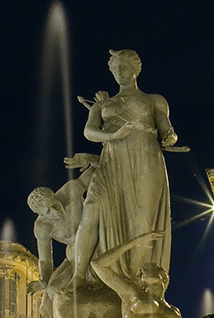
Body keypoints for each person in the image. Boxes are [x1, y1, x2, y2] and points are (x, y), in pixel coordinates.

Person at [71, 49, 177, 286]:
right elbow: (89, 132)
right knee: (92, 208)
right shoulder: (103, 105)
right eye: (115, 68)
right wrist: (113, 134)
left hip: (145, 161)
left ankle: (134, 282)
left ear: (135, 69)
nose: (119, 72)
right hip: (112, 161)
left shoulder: (154, 100)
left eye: (124, 67)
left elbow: (166, 129)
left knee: (142, 221)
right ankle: (78, 276)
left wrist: (170, 137)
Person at [26, 152, 101, 297]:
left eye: (54, 204)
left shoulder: (71, 191)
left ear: (55, 195)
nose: (55, 212)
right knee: (49, 296)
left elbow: (99, 167)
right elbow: (45, 260)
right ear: (39, 214)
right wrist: (44, 280)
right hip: (74, 256)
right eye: (48, 211)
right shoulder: (42, 227)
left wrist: (90, 158)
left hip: (99, 243)